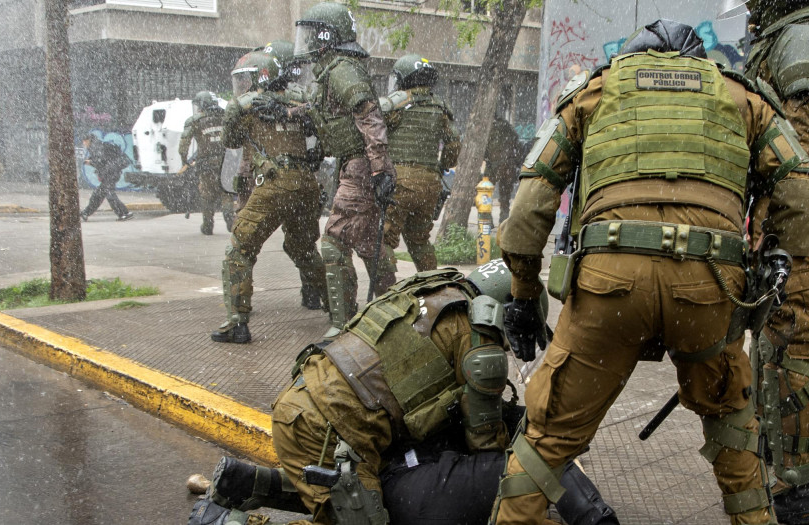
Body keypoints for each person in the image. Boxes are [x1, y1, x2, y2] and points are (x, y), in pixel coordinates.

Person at [489, 19, 809, 525]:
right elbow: (800, 197)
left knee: (545, 443)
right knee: (735, 435)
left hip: (609, 284)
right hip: (708, 288)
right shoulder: (743, 99)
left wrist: (521, 293)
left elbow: (530, 206)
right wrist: (771, 259)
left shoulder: (593, 93)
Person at [198, 261, 616, 525]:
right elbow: (484, 442)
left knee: (354, 496)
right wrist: (514, 471)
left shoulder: (436, 291)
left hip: (307, 406)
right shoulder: (479, 336)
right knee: (365, 514)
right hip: (335, 432)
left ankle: (248, 483)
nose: (511, 345)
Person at [736, 1, 809, 522]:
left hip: (799, 212)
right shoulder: (787, 33)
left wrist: (770, 204)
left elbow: (808, 139)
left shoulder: (807, 36)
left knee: (788, 343)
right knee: (769, 343)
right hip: (786, 207)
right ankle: (774, 471)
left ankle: (796, 495)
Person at [188, 402, 618, 525]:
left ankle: (247, 484)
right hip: (422, 492)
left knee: (345, 500)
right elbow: (550, 462)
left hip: (382, 464)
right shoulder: (475, 359)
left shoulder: (435, 327)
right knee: (548, 464)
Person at [209, 44, 328, 344]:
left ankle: (237, 324)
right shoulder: (301, 101)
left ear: (262, 75)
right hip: (305, 184)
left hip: (274, 184)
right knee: (303, 250)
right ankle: (338, 308)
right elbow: (322, 128)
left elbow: (231, 140)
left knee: (239, 250)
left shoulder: (248, 105)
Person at [293, 2, 397, 338]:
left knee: (336, 241)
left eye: (311, 34)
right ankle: (389, 310)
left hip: (361, 166)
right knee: (366, 241)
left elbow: (369, 114)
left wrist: (380, 169)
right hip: (354, 164)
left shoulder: (341, 69)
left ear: (326, 35)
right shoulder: (333, 71)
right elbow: (333, 117)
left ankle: (344, 324)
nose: (305, 42)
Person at [377, 53, 461, 273]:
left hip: (400, 182)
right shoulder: (440, 106)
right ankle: (434, 287)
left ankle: (387, 294)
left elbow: (372, 129)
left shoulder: (396, 102)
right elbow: (453, 143)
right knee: (420, 241)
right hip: (430, 184)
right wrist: (443, 165)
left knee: (384, 240)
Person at [180, 90, 235, 235]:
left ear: (202, 104)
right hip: (226, 164)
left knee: (207, 195)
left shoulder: (195, 121)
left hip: (206, 165)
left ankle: (208, 225)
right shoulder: (226, 117)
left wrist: (184, 160)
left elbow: (184, 144)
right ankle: (230, 218)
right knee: (226, 192)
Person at [484, 112, 526, 222]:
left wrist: (487, 158)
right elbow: (516, 143)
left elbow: (484, 148)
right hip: (508, 164)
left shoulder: (488, 127)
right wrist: (516, 161)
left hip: (492, 165)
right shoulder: (506, 125)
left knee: (486, 191)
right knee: (505, 195)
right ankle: (504, 218)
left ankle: (486, 218)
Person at [80, 134, 133, 222]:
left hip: (111, 173)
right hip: (111, 172)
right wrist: (91, 161)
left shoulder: (96, 147)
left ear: (88, 140)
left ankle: (124, 213)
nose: (84, 144)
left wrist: (91, 162)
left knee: (109, 194)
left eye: (84, 142)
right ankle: (86, 212)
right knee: (98, 194)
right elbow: (102, 158)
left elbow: (100, 161)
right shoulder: (96, 146)